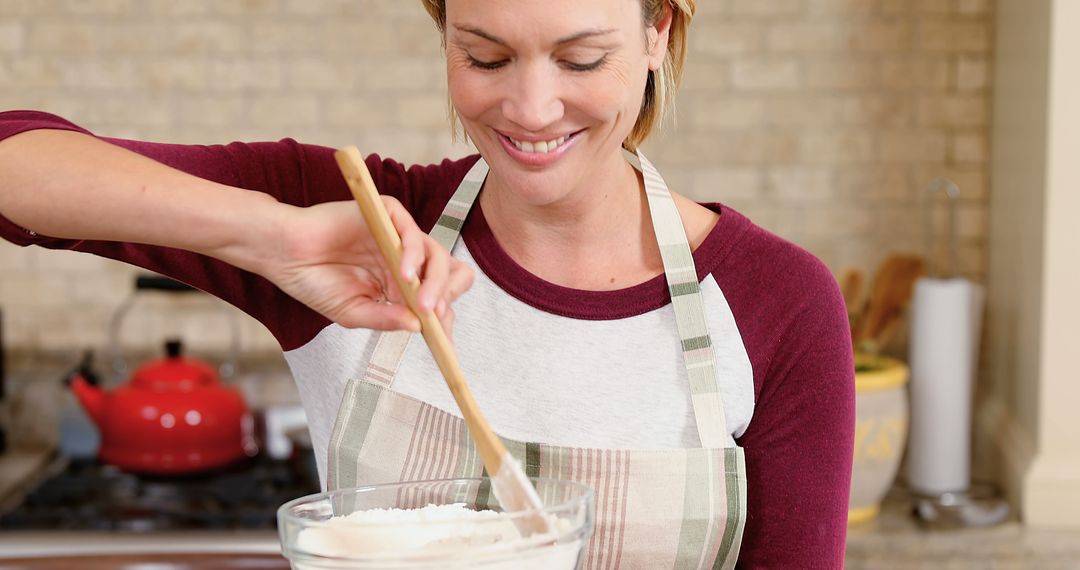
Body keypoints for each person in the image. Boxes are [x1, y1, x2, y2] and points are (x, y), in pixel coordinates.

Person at [0, 0, 855, 567]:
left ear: (657, 30)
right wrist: (275, 235)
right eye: (484, 57)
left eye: (581, 58)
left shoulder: (776, 302)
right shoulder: (357, 227)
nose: (531, 106)